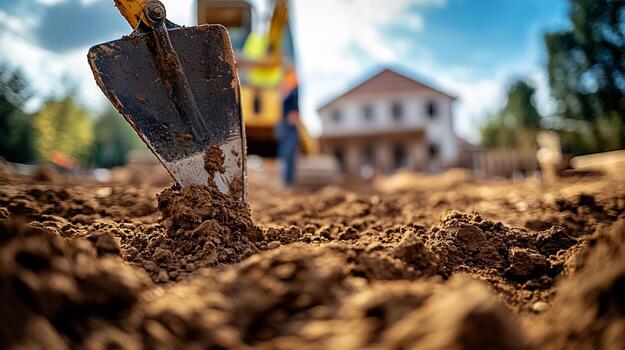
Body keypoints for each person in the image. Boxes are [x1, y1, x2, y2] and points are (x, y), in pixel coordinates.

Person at [277, 69, 299, 186]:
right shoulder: (290, 85)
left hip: (288, 122)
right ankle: (287, 180)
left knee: (288, 152)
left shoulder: (290, 86)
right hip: (287, 122)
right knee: (287, 152)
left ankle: (288, 180)